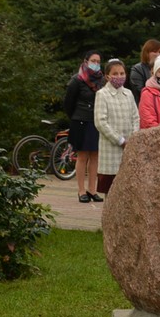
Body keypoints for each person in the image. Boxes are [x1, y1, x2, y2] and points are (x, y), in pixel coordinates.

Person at [93, 59, 138, 196]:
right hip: (111, 149)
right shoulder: (102, 94)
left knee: (128, 189)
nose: (119, 76)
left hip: (129, 147)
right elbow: (100, 122)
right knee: (111, 190)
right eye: (115, 74)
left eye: (122, 73)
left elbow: (136, 117)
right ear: (107, 76)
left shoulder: (128, 94)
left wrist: (134, 137)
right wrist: (120, 140)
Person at [63, 50, 103, 203]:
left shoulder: (101, 80)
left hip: (96, 121)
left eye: (98, 61)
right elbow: (68, 103)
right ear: (86, 61)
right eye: (93, 60)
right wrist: (76, 116)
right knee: (82, 156)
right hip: (80, 121)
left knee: (95, 155)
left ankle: (92, 189)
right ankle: (81, 190)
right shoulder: (77, 80)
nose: (96, 64)